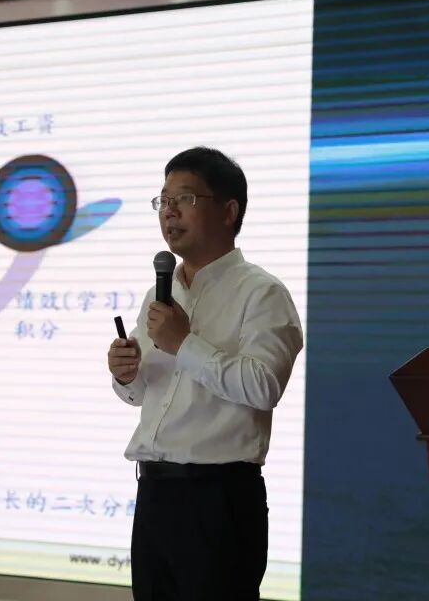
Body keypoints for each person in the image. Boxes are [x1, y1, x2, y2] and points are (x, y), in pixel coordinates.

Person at [107, 147, 303, 600]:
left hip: (219, 502)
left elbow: (263, 386)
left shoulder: (263, 293)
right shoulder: (161, 293)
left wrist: (184, 343)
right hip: (155, 496)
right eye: (163, 200)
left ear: (229, 211)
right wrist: (126, 374)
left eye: (185, 198)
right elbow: (143, 393)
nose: (169, 211)